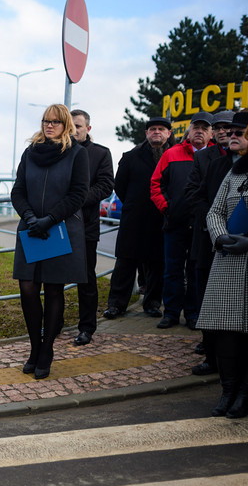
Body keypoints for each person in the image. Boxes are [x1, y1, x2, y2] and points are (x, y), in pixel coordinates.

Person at [196, 112, 248, 419]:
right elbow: (215, 210)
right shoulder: (234, 173)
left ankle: (245, 395)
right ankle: (227, 391)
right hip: (228, 259)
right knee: (225, 332)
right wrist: (219, 238)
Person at [11, 104, 90, 380]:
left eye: (55, 121)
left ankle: (47, 349)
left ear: (65, 124)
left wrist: (50, 219)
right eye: (46, 120)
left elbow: (78, 194)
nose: (49, 125)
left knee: (55, 290)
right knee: (28, 288)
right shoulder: (30, 153)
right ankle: (34, 347)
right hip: (32, 229)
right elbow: (17, 191)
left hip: (60, 229)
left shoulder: (77, 154)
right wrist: (31, 217)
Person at [184, 110, 248, 376]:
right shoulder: (214, 163)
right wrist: (216, 228)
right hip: (210, 241)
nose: (229, 134)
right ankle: (212, 357)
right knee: (208, 300)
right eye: (227, 129)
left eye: (236, 131)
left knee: (243, 303)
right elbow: (198, 197)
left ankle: (240, 360)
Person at [104, 116, 175, 319]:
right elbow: (120, 186)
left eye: (161, 129)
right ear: (146, 133)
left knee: (157, 264)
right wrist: (136, 204)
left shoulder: (174, 156)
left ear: (169, 133)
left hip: (162, 218)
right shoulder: (131, 156)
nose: (156, 132)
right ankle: (116, 304)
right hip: (134, 218)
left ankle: (152, 303)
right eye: (152, 129)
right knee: (125, 264)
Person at [150, 111, 213, 330]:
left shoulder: (216, 155)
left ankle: (194, 314)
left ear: (211, 132)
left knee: (196, 269)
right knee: (172, 269)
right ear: (188, 129)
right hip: (175, 223)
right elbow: (156, 185)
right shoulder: (172, 153)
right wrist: (167, 208)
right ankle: (171, 313)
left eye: (205, 128)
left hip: (202, 225)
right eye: (196, 127)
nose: (199, 132)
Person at [69, 109, 114, 346]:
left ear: (88, 128)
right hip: (58, 226)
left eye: (78, 125)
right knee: (53, 278)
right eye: (71, 125)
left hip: (85, 226)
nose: (74, 129)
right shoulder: (60, 151)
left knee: (86, 279)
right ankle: (54, 323)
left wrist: (76, 199)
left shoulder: (100, 154)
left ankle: (87, 328)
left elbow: (106, 185)